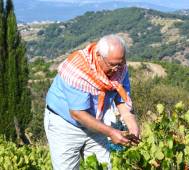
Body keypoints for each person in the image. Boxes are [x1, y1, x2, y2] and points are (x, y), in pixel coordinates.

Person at [44, 34, 139, 170]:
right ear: (99, 56)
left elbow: (122, 100)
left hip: (95, 122)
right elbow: (77, 113)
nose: (116, 69)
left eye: (120, 63)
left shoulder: (120, 68)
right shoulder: (78, 70)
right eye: (112, 65)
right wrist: (111, 132)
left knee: (104, 167)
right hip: (65, 125)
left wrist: (133, 126)